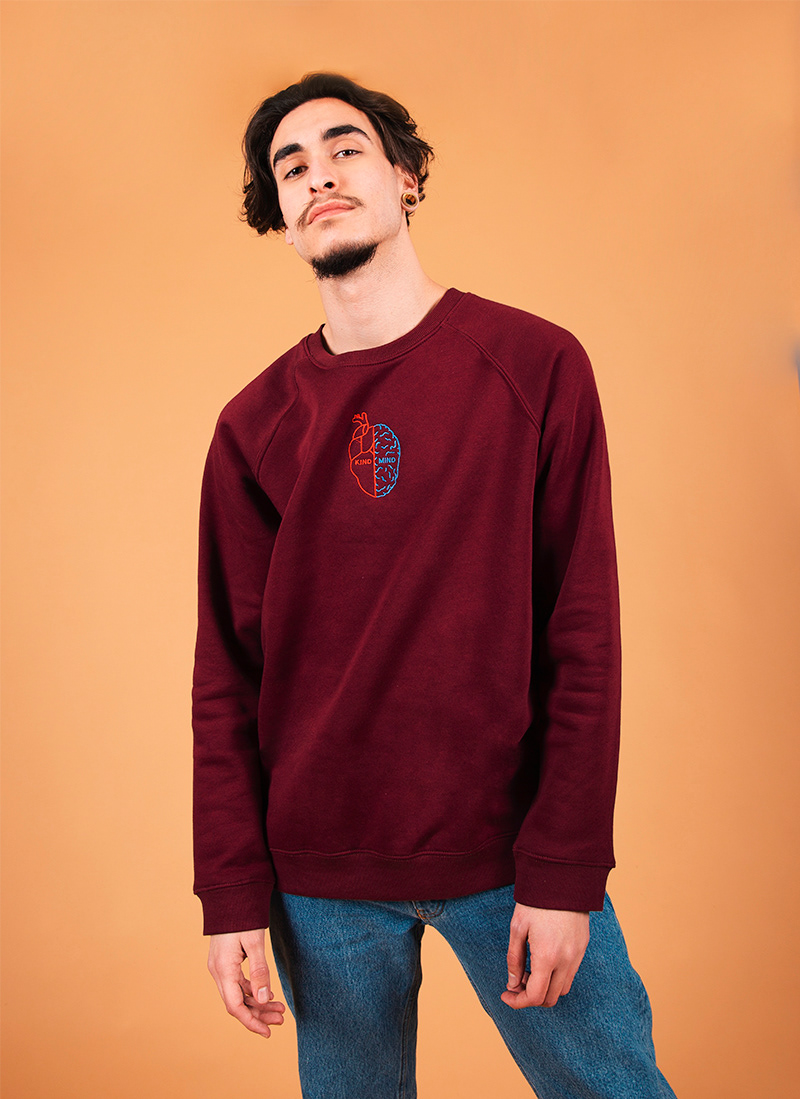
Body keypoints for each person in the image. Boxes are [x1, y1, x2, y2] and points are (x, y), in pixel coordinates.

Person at [192, 72, 676, 1099]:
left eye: (345, 149)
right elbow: (226, 677)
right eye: (291, 167)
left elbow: (582, 632)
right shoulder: (253, 426)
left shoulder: (535, 365)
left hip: (508, 852)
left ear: (405, 178)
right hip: (320, 877)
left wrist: (565, 869)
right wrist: (230, 892)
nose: (319, 175)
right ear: (279, 214)